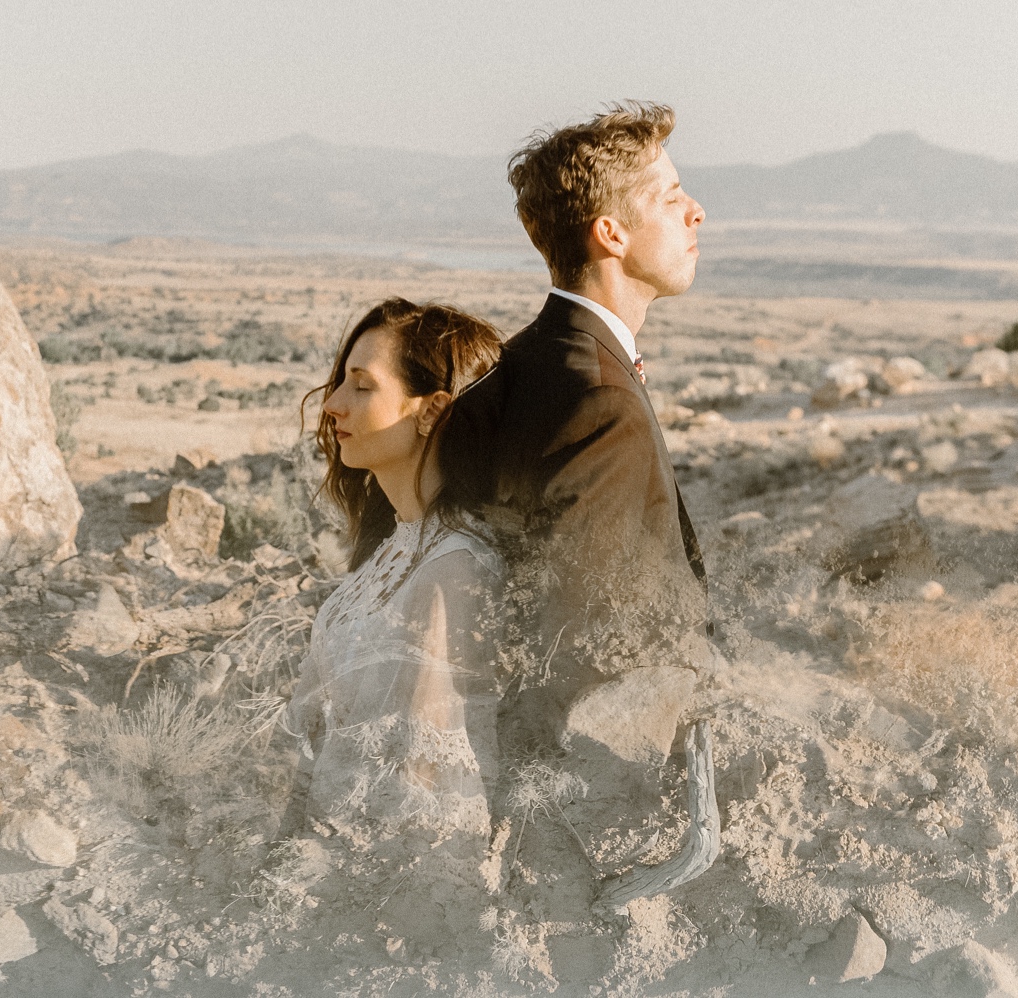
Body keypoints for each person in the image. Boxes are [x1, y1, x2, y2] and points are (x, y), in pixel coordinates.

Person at [436, 101, 720, 905]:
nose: (696, 210)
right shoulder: (599, 399)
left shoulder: (524, 366)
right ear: (611, 235)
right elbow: (567, 632)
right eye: (670, 199)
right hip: (587, 822)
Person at [283, 298, 504, 845]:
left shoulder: (454, 571)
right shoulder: (398, 545)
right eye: (340, 382)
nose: (332, 404)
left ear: (431, 410)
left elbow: (419, 791)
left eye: (362, 386)